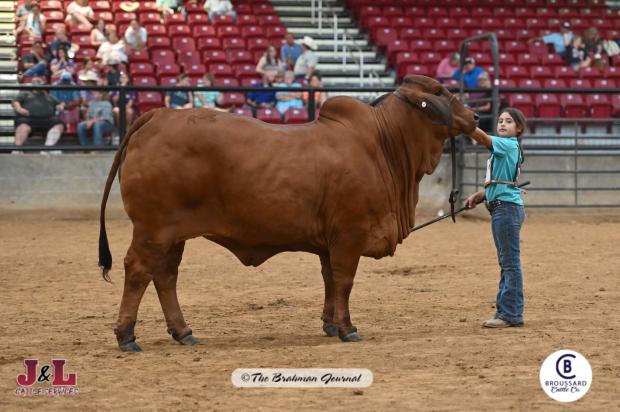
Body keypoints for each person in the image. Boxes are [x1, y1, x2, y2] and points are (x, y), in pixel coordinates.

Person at [463, 108, 527, 328]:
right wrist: (480, 195)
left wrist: (464, 124)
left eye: (508, 121)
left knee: (509, 263)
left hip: (506, 210)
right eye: (500, 121)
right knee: (507, 262)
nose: (502, 124)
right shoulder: (507, 147)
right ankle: (507, 310)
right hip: (504, 207)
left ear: (518, 128)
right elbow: (501, 181)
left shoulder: (507, 144)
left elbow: (482, 138)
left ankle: (511, 313)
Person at [12, 77, 65, 147]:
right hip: (28, 119)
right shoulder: (25, 93)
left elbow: (61, 103)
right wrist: (19, 109)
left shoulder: (49, 97)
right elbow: (15, 101)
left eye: (41, 84)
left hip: (47, 119)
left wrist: (61, 106)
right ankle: (17, 149)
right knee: (23, 126)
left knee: (59, 125)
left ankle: (48, 148)